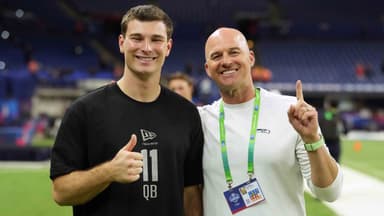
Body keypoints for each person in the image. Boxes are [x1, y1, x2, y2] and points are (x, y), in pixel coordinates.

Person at [49, 5, 203, 216]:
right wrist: (109, 172)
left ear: (168, 47)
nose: (147, 48)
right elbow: (61, 192)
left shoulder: (187, 114)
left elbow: (191, 193)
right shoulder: (84, 111)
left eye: (156, 40)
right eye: (137, 38)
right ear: (122, 43)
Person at [198, 27, 343, 215]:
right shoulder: (200, 121)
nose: (226, 61)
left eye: (234, 52)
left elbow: (330, 192)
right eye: (216, 56)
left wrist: (313, 140)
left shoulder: (290, 112)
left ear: (251, 58)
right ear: (208, 69)